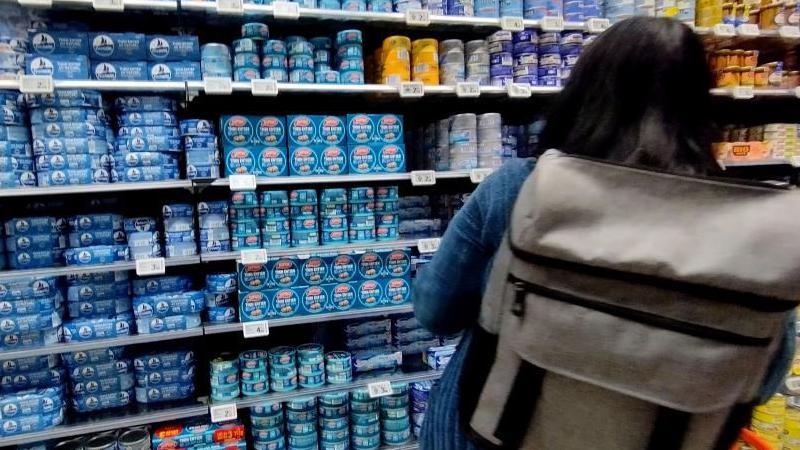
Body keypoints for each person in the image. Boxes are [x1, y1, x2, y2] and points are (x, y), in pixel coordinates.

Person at [412, 16, 796, 449]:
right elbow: (764, 378)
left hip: (495, 424)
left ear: (583, 93)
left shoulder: (522, 186)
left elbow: (434, 309)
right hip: (656, 435)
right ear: (701, 105)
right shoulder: (746, 225)